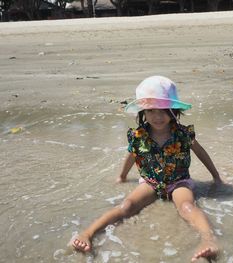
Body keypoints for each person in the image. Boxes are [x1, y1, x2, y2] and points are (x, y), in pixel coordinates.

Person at [71, 75, 224, 262]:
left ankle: (208, 239)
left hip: (179, 182)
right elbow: (132, 155)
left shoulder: (183, 133)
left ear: (173, 110)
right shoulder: (138, 135)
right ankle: (88, 233)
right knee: (126, 206)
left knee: (186, 207)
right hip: (150, 182)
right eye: (151, 111)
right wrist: (122, 176)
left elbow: (201, 153)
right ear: (143, 111)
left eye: (163, 111)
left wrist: (216, 176)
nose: (157, 116)